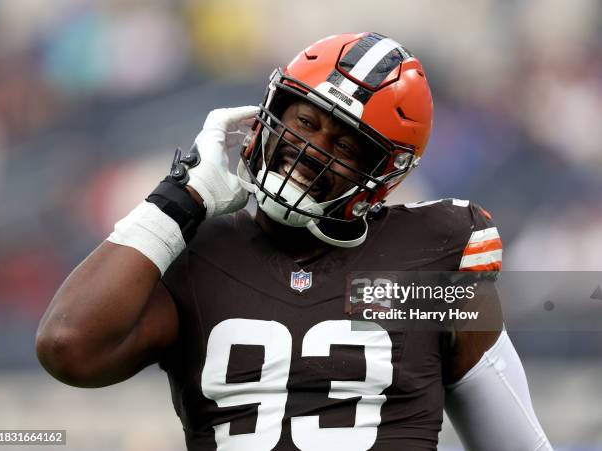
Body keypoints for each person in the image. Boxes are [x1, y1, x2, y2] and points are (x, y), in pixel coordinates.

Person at [36, 32, 552, 450]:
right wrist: (179, 199)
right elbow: (67, 348)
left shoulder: (430, 255)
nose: (310, 149)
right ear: (271, 112)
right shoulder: (196, 252)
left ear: (382, 174)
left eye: (346, 145)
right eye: (305, 121)